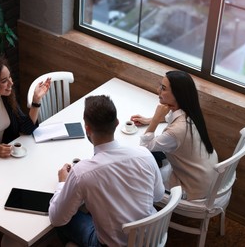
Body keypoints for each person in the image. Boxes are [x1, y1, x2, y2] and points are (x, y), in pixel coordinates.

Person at [48, 95, 165, 247]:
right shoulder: (144, 154)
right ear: (117, 123)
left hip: (109, 244)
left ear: (87, 129)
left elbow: (57, 218)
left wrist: (62, 184)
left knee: (62, 217)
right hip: (150, 240)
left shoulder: (81, 173)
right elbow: (158, 195)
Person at [131, 70, 218, 200]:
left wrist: (155, 120)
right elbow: (170, 118)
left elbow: (144, 146)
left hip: (192, 187)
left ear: (178, 95)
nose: (158, 90)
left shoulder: (177, 131)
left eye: (163, 88)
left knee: (136, 177)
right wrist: (149, 120)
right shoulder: (190, 112)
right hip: (206, 174)